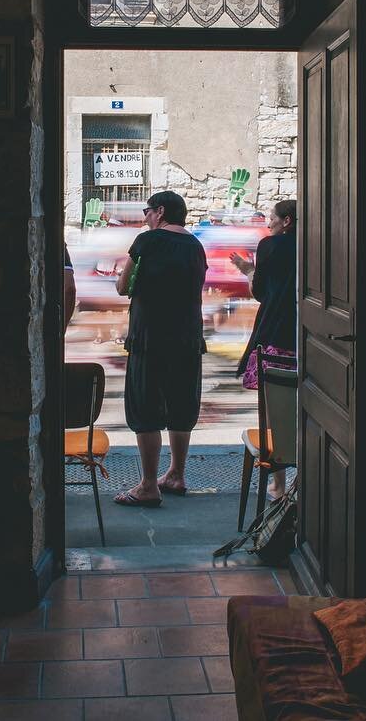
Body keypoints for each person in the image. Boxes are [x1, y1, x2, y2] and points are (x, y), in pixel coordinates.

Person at [112, 190, 208, 507]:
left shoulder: (146, 242)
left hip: (149, 338)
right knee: (182, 405)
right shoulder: (196, 246)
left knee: (146, 409)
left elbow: (123, 286)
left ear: (161, 211)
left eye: (147, 211)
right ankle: (177, 474)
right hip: (188, 337)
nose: (145, 217)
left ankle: (149, 485)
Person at [230, 198, 298, 498]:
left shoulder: (271, 246)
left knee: (276, 413)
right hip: (307, 336)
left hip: (276, 333)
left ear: (287, 221)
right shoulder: (320, 244)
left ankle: (280, 484)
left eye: (272, 217)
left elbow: (260, 292)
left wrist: (247, 270)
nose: (268, 222)